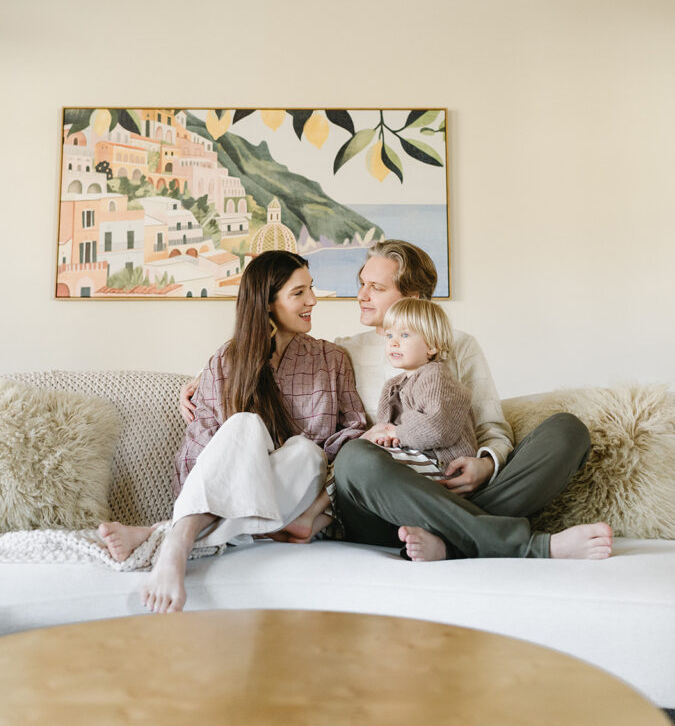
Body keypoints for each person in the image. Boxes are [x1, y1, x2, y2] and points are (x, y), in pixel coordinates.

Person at [180, 240, 611, 562]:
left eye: (375, 287)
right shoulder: (342, 350)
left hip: (454, 483)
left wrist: (486, 463)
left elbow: (493, 427)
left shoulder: (457, 345)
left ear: (414, 298)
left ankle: (450, 541)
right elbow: (266, 359)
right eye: (361, 284)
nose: (361, 296)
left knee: (566, 430)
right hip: (385, 502)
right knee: (356, 459)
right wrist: (203, 377)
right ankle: (522, 545)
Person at [99, 251, 366, 613]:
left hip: (297, 493)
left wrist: (322, 504)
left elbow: (352, 436)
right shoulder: (227, 361)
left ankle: (164, 535)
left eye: (311, 289)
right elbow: (201, 447)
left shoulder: (331, 359)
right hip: (247, 505)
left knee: (306, 452)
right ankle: (177, 543)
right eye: (299, 293)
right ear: (268, 304)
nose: (312, 300)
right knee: (244, 424)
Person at [361, 297, 477, 483]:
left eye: (404, 335)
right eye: (389, 336)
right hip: (413, 456)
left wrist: (395, 433)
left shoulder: (435, 374)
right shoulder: (392, 385)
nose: (393, 343)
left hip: (441, 463)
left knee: (364, 461)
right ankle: (321, 508)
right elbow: (385, 429)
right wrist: (380, 435)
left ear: (432, 346)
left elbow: (437, 430)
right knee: (358, 453)